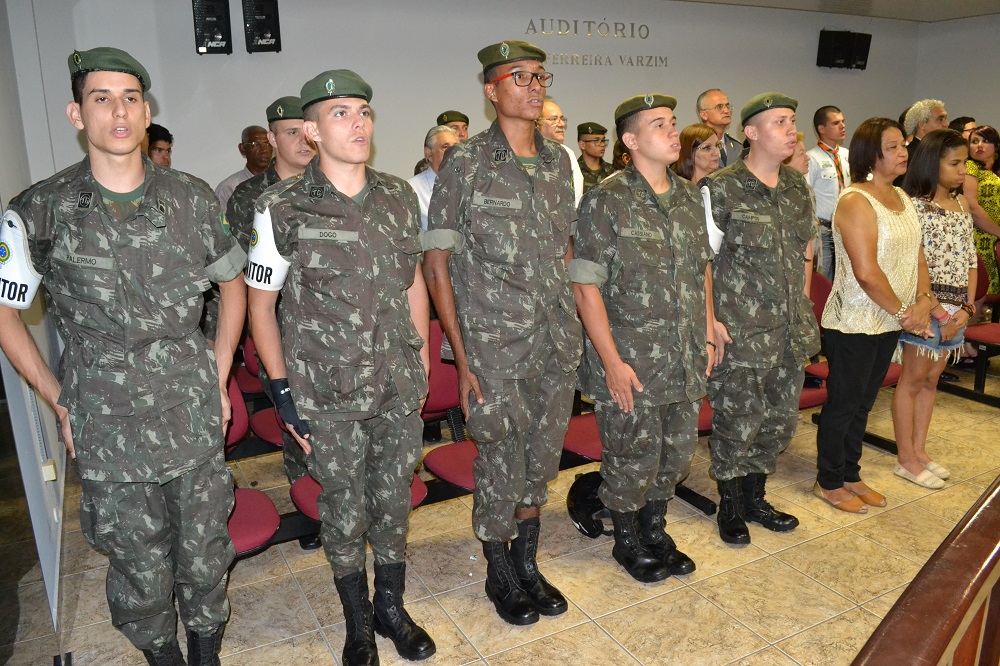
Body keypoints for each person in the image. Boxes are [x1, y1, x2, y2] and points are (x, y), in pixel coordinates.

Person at [0, 47, 246, 666]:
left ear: (146, 110)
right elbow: (5, 313)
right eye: (101, 98)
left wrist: (216, 376)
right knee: (135, 557)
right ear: (76, 113)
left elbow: (234, 285)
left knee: (203, 547)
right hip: (105, 420)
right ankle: (161, 657)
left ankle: (206, 653)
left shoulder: (190, 198)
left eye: (131, 98)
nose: (119, 111)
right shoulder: (39, 210)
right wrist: (59, 398)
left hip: (189, 409)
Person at [246, 69, 435, 666]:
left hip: (397, 383)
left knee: (394, 502)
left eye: (363, 112)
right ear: (311, 131)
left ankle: (391, 607)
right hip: (325, 394)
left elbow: (413, 286)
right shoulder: (279, 206)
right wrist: (281, 392)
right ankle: (357, 624)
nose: (357, 124)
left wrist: (425, 358)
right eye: (340, 114)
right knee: (343, 508)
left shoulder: (399, 196)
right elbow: (260, 304)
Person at [423, 40, 582, 626]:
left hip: (554, 341)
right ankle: (499, 569)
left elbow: (566, 250)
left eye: (540, 76)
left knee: (541, 460)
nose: (534, 86)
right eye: (520, 77)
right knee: (499, 461)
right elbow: (436, 261)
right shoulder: (464, 163)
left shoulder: (560, 162)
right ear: (492, 91)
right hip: (492, 346)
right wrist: (461, 359)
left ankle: (529, 562)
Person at [571, 93, 713, 583]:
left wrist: (710, 329)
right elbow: (585, 286)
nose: (674, 132)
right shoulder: (606, 199)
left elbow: (701, 272)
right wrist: (610, 362)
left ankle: (656, 529)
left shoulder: (692, 195)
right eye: (660, 124)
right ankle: (627, 537)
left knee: (675, 455)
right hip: (632, 357)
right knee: (632, 457)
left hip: (684, 353)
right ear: (630, 141)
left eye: (674, 123)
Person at [704, 92, 819, 545]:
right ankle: (730, 506)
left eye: (792, 121)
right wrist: (711, 321)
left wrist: (804, 304)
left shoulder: (796, 189)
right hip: (743, 332)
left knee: (778, 422)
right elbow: (703, 263)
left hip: (791, 332)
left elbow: (806, 252)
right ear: (751, 133)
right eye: (779, 122)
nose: (791, 130)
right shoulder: (721, 187)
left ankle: (756, 498)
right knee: (738, 420)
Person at [814, 117, 932, 511]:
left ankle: (851, 474)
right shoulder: (855, 201)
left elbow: (917, 256)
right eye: (894, 146)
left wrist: (924, 300)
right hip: (855, 320)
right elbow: (865, 272)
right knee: (844, 403)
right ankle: (829, 481)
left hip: (889, 318)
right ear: (872, 154)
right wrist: (905, 313)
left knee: (864, 403)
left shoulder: (903, 199)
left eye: (903, 146)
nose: (904, 153)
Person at [892, 130, 976, 488]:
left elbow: (971, 259)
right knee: (912, 380)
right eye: (954, 163)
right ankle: (906, 458)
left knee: (931, 381)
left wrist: (968, 309)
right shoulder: (915, 206)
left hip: (957, 310)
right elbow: (914, 262)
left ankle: (921, 451)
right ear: (931, 163)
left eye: (965, 163)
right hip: (927, 308)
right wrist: (939, 311)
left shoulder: (961, 205)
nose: (962, 171)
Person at [227, 96, 315, 250]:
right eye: (293, 133)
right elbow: (239, 264)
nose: (304, 141)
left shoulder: (337, 187)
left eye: (309, 132)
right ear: (272, 139)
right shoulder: (248, 196)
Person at [806, 106, 850, 280]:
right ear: (821, 129)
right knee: (823, 279)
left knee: (842, 280)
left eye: (843, 121)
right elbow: (807, 196)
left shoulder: (846, 156)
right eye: (836, 123)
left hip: (844, 229)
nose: (842, 126)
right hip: (823, 231)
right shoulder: (812, 158)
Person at [964, 126, 1000, 301]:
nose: (979, 145)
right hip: (981, 237)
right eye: (974, 141)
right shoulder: (970, 166)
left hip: (996, 238)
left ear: (996, 146)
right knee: (980, 296)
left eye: (985, 141)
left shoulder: (994, 170)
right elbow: (972, 206)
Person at [408, 125, 459, 230]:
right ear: (429, 153)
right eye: (445, 147)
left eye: (456, 147)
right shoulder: (411, 189)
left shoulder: (471, 185)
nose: (453, 152)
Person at [536, 97, 584, 205]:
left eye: (562, 119)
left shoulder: (567, 153)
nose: (561, 124)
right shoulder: (524, 152)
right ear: (536, 123)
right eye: (553, 119)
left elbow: (576, 198)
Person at [214, 124, 272, 208]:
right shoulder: (229, 188)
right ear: (242, 148)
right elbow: (221, 220)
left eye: (267, 144)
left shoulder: (283, 182)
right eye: (255, 144)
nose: (264, 149)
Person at [696, 89, 742, 167]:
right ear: (704, 114)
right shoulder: (694, 147)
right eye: (719, 107)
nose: (727, 111)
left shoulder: (737, 147)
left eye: (727, 106)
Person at [576, 121, 615, 193]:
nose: (602, 144)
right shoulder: (574, 171)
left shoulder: (613, 171)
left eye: (603, 140)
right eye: (596, 141)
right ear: (582, 145)